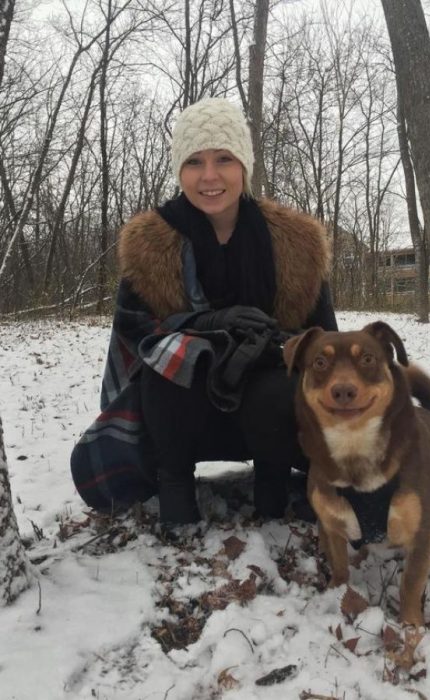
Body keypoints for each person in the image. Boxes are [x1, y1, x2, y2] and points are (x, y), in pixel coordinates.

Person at [70, 97, 337, 529]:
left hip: (265, 408)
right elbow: (137, 339)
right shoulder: (149, 244)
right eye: (194, 161)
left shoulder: (299, 243)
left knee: (283, 388)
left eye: (223, 159)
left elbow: (323, 343)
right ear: (180, 171)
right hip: (181, 416)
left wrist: (271, 346)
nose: (209, 176)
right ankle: (175, 484)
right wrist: (203, 327)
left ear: (244, 166)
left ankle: (272, 480)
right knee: (166, 365)